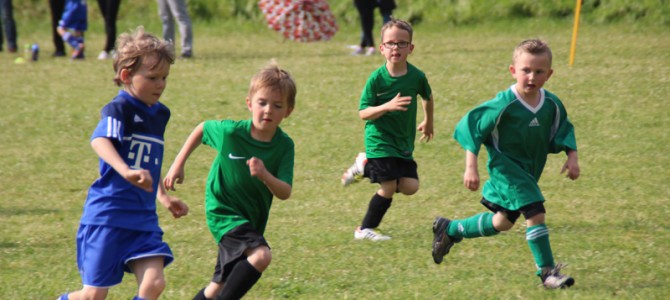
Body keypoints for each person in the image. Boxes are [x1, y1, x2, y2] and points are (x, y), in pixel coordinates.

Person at [431, 39, 580, 289]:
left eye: (539, 71)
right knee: (535, 211)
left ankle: (451, 229)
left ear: (549, 74)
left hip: (529, 171)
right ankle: (547, 273)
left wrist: (572, 157)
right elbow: (472, 127)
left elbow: (563, 129)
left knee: (503, 222)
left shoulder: (551, 104)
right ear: (513, 71)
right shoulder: (504, 103)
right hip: (506, 169)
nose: (532, 76)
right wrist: (471, 167)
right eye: (526, 70)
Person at [57, 26, 188, 300]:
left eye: (165, 77)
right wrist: (125, 171)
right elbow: (100, 141)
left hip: (142, 219)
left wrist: (162, 196)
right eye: (152, 77)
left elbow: (149, 160)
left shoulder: (160, 114)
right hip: (108, 216)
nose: (161, 84)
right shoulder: (119, 109)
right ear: (127, 76)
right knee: (93, 296)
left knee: (154, 285)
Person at [163, 63, 297, 299]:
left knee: (218, 287)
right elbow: (202, 129)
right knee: (261, 256)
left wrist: (265, 175)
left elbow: (285, 192)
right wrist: (178, 164)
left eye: (277, 106)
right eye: (262, 103)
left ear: (288, 110)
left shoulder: (284, 145)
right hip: (223, 212)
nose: (268, 110)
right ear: (249, 103)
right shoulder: (231, 133)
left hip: (251, 218)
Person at [341, 19, 434, 241]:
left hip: (403, 143)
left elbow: (427, 97)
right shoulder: (376, 79)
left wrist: (429, 121)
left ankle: (365, 166)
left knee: (411, 186)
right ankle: (364, 229)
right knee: (389, 186)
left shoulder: (417, 76)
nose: (396, 48)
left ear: (411, 48)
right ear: (381, 48)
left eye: (402, 43)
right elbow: (363, 112)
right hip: (379, 140)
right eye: (390, 43)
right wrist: (387, 106)